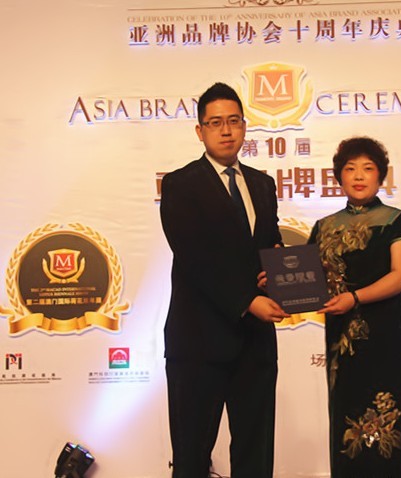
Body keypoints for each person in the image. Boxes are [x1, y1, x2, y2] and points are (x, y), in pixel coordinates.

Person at [160, 82, 288, 478]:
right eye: (215, 123)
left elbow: (269, 242)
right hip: (198, 342)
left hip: (255, 344)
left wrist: (279, 273)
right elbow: (195, 257)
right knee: (192, 457)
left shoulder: (262, 184)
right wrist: (247, 301)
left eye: (234, 121)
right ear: (200, 131)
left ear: (245, 126)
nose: (226, 130)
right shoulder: (180, 184)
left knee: (255, 454)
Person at [308, 136, 401, 478]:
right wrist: (275, 281)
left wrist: (354, 299)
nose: (358, 176)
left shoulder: (397, 220)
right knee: (345, 418)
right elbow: (309, 282)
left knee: (390, 423)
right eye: (350, 169)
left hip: (385, 336)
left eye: (368, 169)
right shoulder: (324, 227)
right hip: (343, 342)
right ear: (339, 177)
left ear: (380, 176)